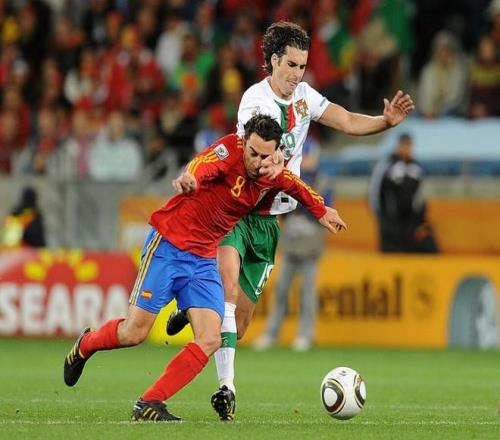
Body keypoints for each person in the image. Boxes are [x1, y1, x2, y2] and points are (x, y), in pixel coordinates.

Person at [166, 21, 414, 421]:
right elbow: (262, 154)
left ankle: (196, 307)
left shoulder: (304, 96)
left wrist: (383, 121)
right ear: (273, 61)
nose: (297, 74)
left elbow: (347, 121)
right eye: (291, 65)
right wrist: (282, 167)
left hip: (271, 221)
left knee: (238, 325)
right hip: (236, 210)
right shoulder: (254, 101)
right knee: (227, 285)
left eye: (302, 66)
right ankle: (227, 389)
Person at [63, 114, 347, 422]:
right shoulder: (229, 150)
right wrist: (191, 179)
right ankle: (86, 345)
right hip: (169, 244)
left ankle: (150, 402)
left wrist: (322, 210)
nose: (257, 162)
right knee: (134, 333)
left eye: (265, 156)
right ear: (244, 142)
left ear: (276, 152)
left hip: (202, 259)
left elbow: (296, 186)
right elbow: (203, 164)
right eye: (253, 153)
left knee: (212, 338)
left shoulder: (272, 171)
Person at [253, 136, 331, 352]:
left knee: (308, 293)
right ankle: (271, 333)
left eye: (309, 156)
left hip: (310, 244)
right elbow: (283, 206)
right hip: (291, 242)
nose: (306, 160)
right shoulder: (291, 175)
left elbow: (323, 207)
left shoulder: (323, 181)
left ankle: (305, 334)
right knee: (281, 290)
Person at [368, 133, 438, 253]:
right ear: (398, 146)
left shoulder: (416, 167)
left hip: (410, 222)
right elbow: (375, 189)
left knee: (410, 252)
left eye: (409, 146)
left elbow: (420, 195)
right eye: (404, 146)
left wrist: (420, 216)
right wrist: (380, 214)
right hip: (389, 220)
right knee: (391, 252)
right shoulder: (386, 165)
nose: (406, 149)